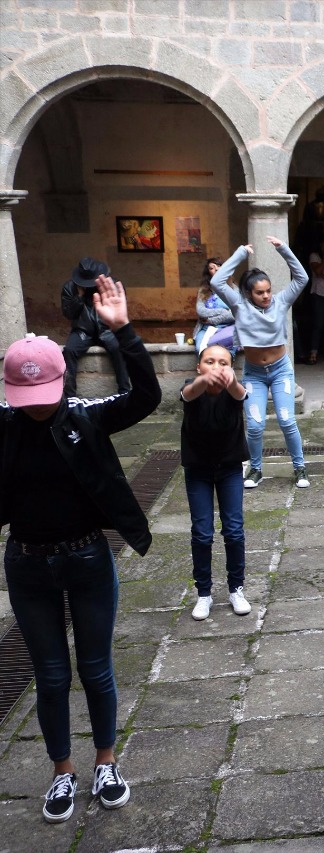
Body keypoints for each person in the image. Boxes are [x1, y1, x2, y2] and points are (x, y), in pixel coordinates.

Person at [2, 277, 160, 823]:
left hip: (87, 557)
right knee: (50, 675)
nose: (36, 409)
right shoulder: (5, 424)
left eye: (44, 396)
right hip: (27, 564)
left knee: (95, 668)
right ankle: (62, 771)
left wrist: (125, 332)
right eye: (25, 399)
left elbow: (146, 397)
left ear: (62, 379)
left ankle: (106, 763)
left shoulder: (84, 416)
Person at [210, 236, 312, 490]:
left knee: (287, 420)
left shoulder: (281, 301)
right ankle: (255, 469)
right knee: (255, 425)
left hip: (280, 371)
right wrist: (240, 253)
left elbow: (302, 278)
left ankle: (299, 467)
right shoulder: (239, 305)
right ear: (248, 293)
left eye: (268, 290)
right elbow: (216, 281)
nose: (266, 296)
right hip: (254, 373)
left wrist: (284, 249)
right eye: (260, 292)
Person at [181, 344, 250, 621]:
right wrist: (204, 381)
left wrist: (229, 380)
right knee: (202, 532)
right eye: (210, 361)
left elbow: (240, 393)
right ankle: (204, 593)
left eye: (223, 362)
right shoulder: (191, 387)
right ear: (198, 367)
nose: (216, 367)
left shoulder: (234, 390)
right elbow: (188, 393)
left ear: (231, 368)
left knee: (233, 530)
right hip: (197, 469)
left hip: (229, 469)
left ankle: (236, 588)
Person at [60, 258, 130, 396]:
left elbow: (119, 311)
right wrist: (79, 297)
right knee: (69, 351)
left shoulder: (112, 285)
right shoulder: (70, 288)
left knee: (118, 348)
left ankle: (125, 392)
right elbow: (69, 314)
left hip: (107, 330)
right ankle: (69, 397)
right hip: (83, 331)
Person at [193, 257, 237, 356]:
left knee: (226, 352)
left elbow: (236, 314)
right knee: (201, 349)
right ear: (208, 273)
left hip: (228, 328)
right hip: (207, 328)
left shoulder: (234, 289)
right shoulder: (204, 290)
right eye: (212, 268)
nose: (216, 269)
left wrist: (212, 320)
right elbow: (201, 311)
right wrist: (223, 311)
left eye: (218, 266)